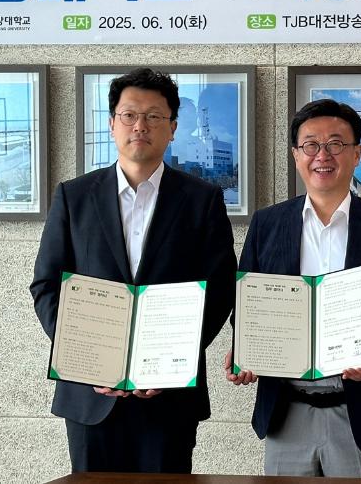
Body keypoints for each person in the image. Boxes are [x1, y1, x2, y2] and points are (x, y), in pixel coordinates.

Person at [31, 68, 236, 473]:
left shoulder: (202, 199)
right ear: (112, 124)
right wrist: (86, 358)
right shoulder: (74, 196)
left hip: (169, 395)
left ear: (172, 128)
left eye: (154, 116)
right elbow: (47, 285)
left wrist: (173, 359)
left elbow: (219, 290)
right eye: (129, 115)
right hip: (91, 395)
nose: (140, 126)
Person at [225, 98, 361, 477]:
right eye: (311, 145)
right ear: (296, 155)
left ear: (356, 154)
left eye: (336, 144)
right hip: (285, 412)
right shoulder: (266, 224)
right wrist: (246, 350)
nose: (322, 155)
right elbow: (246, 305)